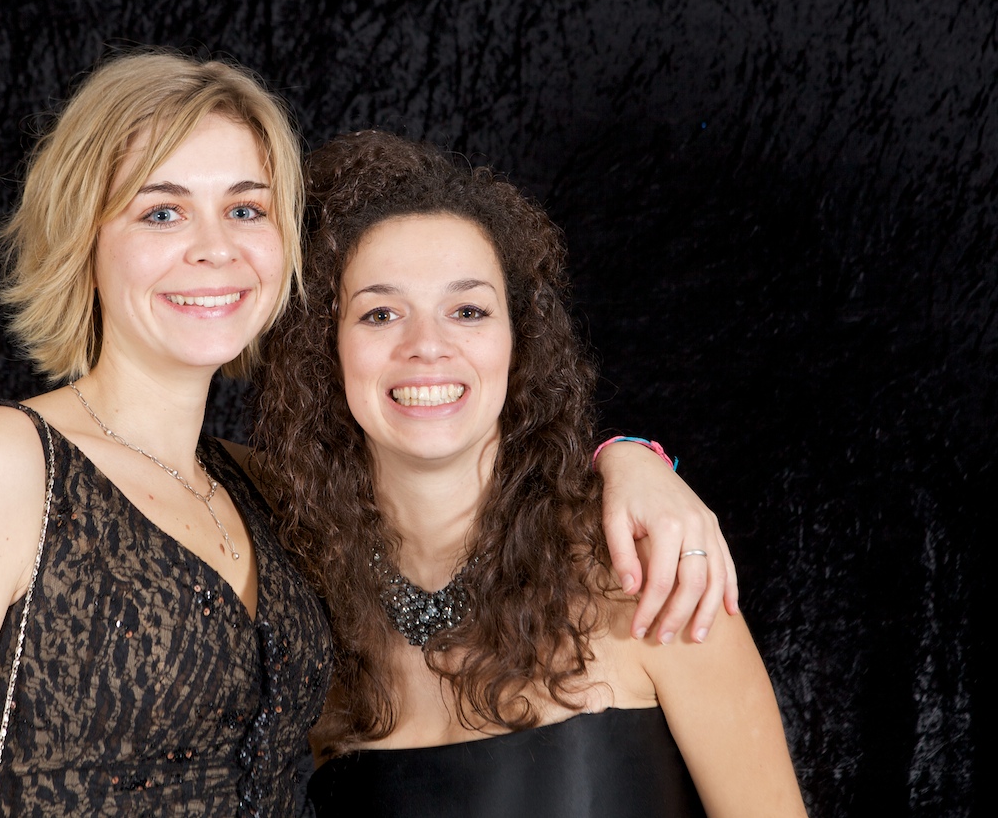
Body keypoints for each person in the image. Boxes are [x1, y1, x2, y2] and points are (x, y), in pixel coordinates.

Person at [0, 50, 737, 817]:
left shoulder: (268, 497)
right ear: (84, 240)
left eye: (246, 209)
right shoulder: (1, 463)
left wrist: (632, 462)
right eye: (162, 210)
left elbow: (447, 463)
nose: (214, 247)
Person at [254, 131, 807, 817]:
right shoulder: (309, 622)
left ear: (518, 343)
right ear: (325, 351)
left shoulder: (645, 574)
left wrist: (632, 455)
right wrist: (630, 452)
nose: (427, 346)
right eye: (381, 313)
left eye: (468, 310)